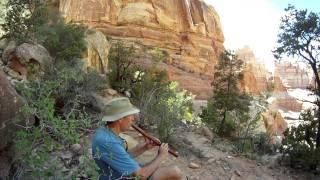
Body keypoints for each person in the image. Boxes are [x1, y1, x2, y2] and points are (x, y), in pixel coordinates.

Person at [92, 97, 182, 180]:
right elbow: (141, 175)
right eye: (130, 115)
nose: (133, 119)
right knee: (174, 171)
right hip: (118, 177)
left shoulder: (106, 132)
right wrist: (161, 156)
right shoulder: (108, 142)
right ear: (120, 119)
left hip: (118, 174)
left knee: (165, 170)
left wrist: (145, 147)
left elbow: (121, 156)